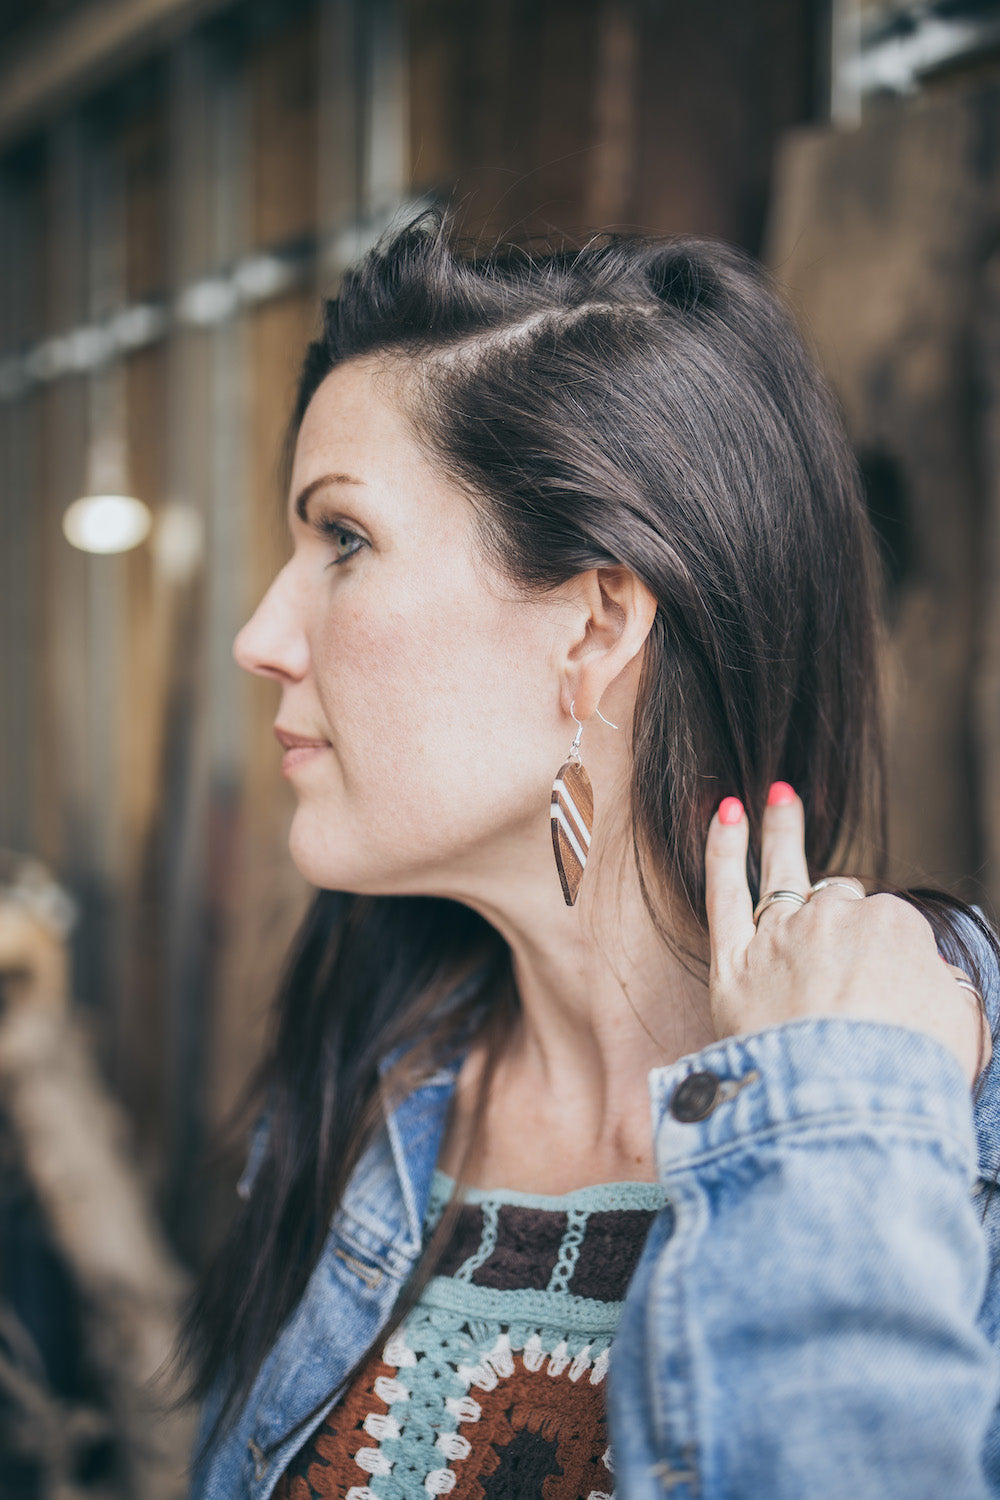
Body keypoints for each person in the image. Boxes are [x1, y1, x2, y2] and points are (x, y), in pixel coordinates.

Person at [182, 215, 1000, 1499]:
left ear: (595, 623)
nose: (261, 635)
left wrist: (837, 1119)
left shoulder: (944, 1110)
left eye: (343, 540)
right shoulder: (365, 1085)